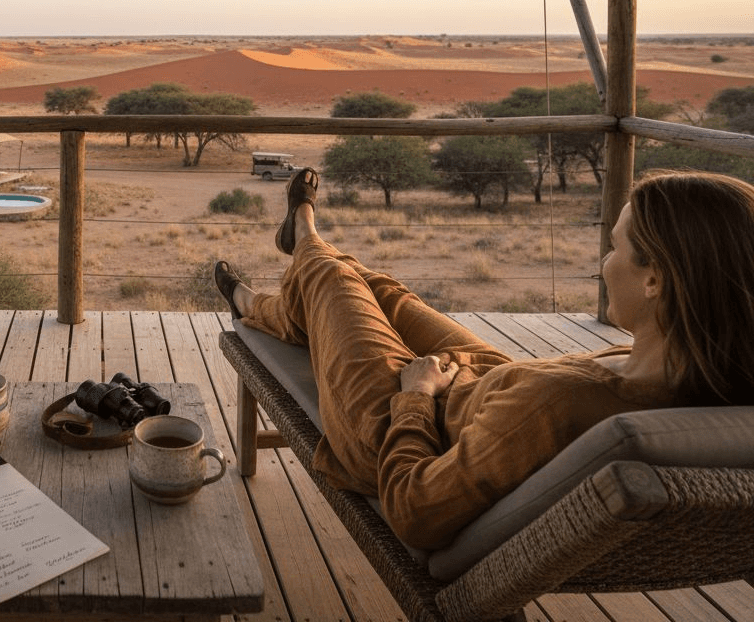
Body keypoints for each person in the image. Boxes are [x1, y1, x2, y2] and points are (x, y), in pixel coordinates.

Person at [214, 167, 754, 550]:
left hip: (394, 424)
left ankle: (290, 248)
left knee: (331, 276)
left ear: (656, 279)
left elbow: (414, 510)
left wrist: (416, 398)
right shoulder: (700, 376)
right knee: (383, 292)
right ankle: (289, 278)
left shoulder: (557, 404)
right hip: (488, 385)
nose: (603, 264)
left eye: (614, 247)